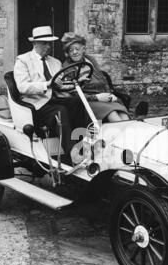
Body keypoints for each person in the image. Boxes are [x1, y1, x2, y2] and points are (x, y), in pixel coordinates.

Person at [13, 26, 90, 163]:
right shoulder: (23, 60)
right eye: (44, 43)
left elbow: (60, 85)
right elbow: (22, 87)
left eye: (49, 43)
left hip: (54, 99)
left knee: (78, 101)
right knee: (61, 111)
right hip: (35, 104)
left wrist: (76, 83)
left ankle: (83, 145)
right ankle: (72, 153)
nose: (48, 46)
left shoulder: (55, 62)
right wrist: (46, 84)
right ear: (35, 43)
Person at [60, 32, 130, 123]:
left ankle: (124, 136)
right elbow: (74, 94)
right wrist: (96, 97)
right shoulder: (67, 67)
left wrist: (110, 94)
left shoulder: (90, 60)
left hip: (104, 97)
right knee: (113, 115)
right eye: (70, 50)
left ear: (83, 49)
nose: (74, 52)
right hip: (87, 101)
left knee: (124, 116)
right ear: (67, 53)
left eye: (77, 49)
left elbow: (103, 80)